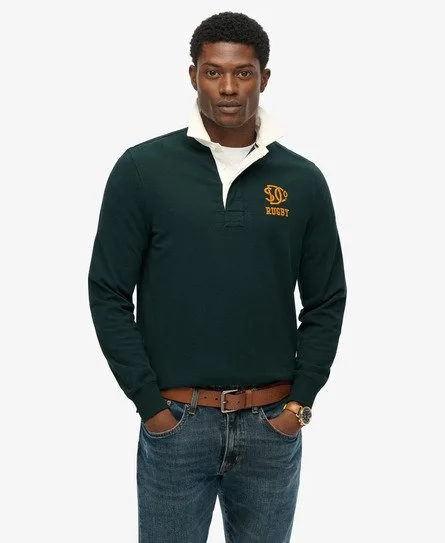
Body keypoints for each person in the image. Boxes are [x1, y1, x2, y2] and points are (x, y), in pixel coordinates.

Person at [88, 10, 347, 543]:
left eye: (243, 72)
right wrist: (150, 406)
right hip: (176, 422)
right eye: (213, 72)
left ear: (264, 78)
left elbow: (326, 299)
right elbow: (108, 292)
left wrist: (299, 404)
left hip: (272, 425)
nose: (228, 88)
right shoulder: (142, 170)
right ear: (194, 76)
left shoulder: (303, 180)